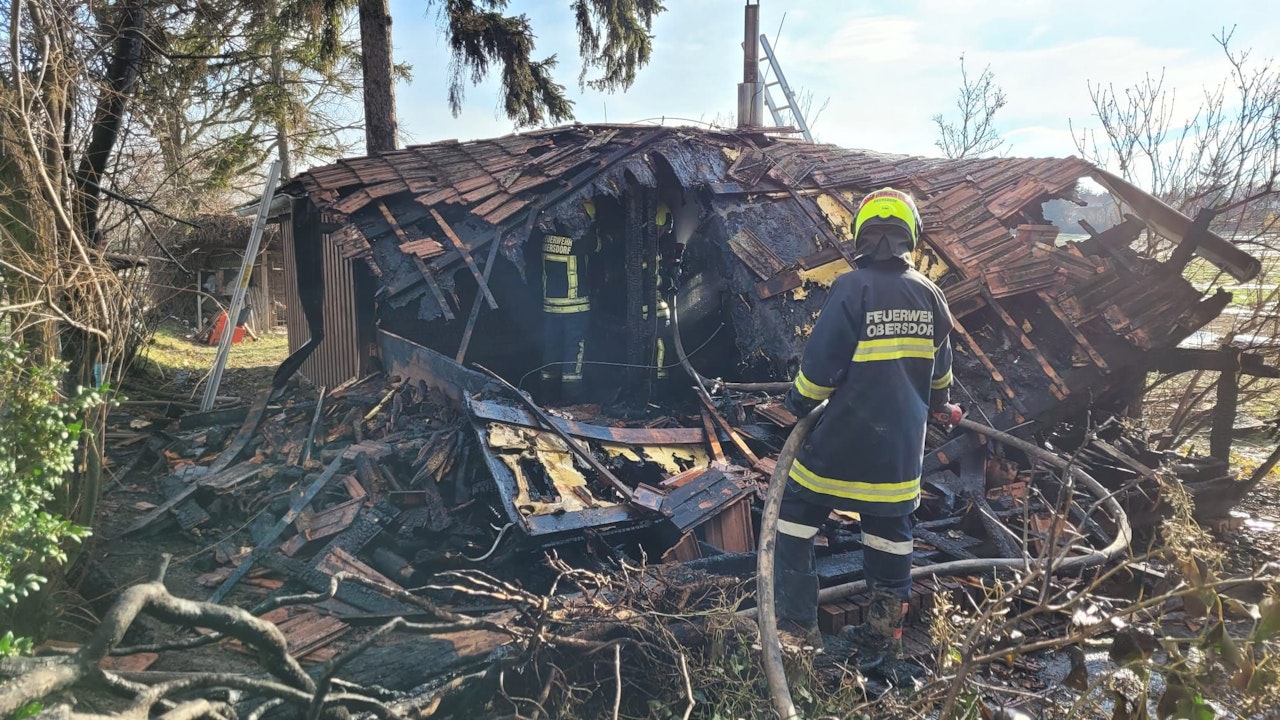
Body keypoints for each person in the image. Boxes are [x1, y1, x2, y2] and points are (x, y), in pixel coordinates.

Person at [774, 187, 961, 678]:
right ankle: (884, 640)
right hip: (899, 454)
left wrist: (794, 404)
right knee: (890, 538)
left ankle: (799, 636)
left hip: (841, 445)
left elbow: (819, 369)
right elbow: (941, 375)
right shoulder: (931, 295)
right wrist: (942, 406)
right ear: (910, 237)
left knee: (793, 520)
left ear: (862, 236)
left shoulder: (851, 287)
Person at [539, 200, 600, 404]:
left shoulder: (547, 236)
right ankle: (572, 400)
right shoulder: (579, 241)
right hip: (575, 307)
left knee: (551, 351)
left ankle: (547, 398)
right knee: (574, 353)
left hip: (551, 306)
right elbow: (600, 245)